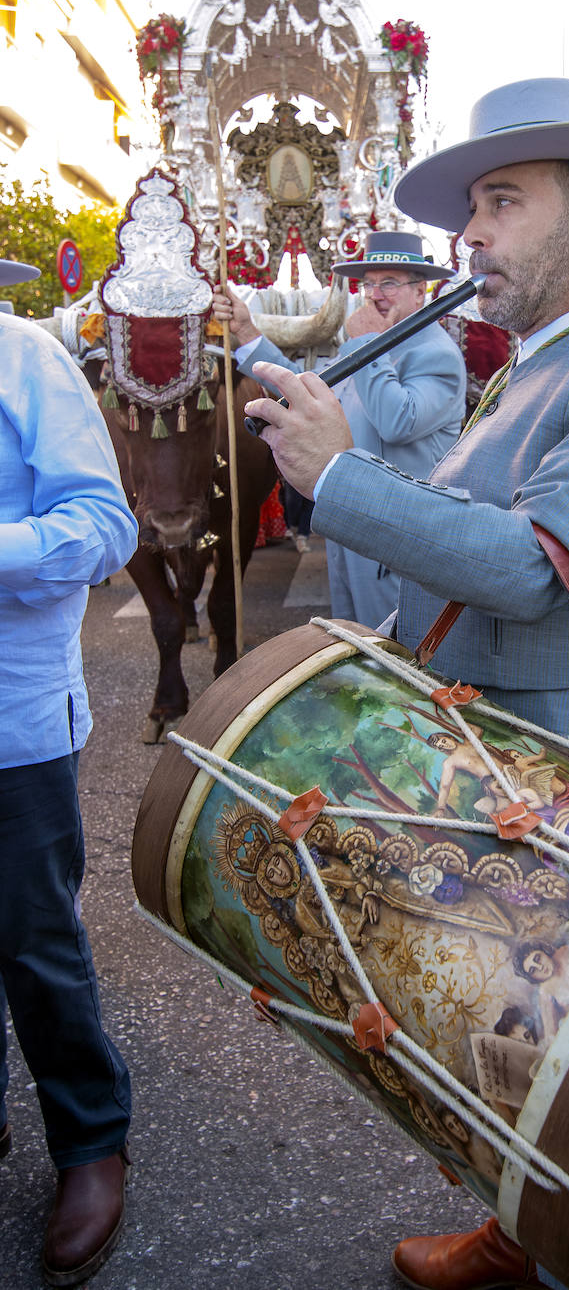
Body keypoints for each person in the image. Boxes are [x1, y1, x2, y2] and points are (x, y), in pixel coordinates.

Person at [245, 75, 569, 1290]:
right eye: (474, 208)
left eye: (503, 201)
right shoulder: (537, 363)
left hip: (568, 789)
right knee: (494, 1049)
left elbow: (522, 569)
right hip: (487, 766)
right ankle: (512, 1229)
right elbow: (467, 514)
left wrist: (337, 480)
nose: (472, 236)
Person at [0, 258, 138, 1286]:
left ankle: (91, 1139)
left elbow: (101, 528)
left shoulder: (27, 357)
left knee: (34, 939)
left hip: (9, 720)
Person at [214, 231, 466, 626]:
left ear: (421, 292)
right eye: (368, 283)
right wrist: (246, 334)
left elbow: (398, 421)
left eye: (389, 283)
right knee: (354, 644)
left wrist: (365, 343)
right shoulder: (370, 346)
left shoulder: (435, 353)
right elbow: (308, 387)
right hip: (350, 526)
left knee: (393, 655)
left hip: (395, 537)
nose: (375, 294)